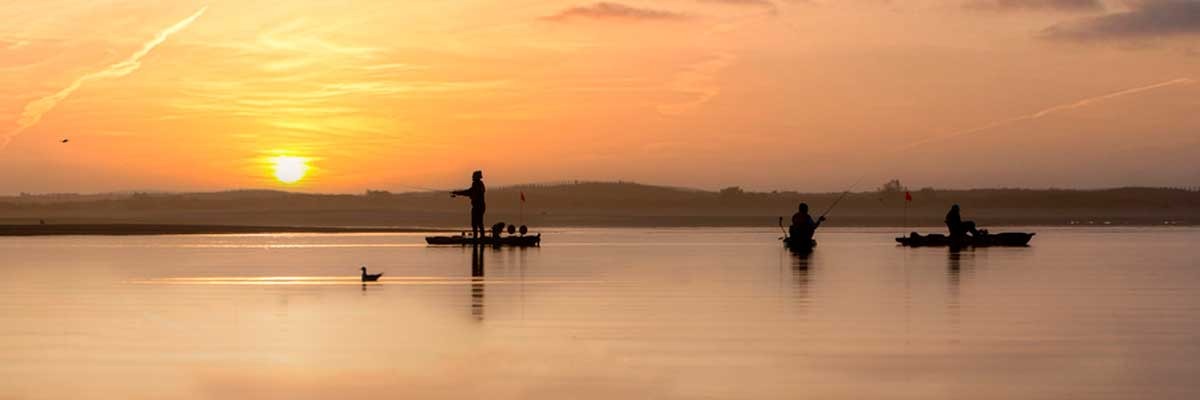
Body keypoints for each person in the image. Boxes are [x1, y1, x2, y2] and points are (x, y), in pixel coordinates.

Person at [452, 170, 486, 238]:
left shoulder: (478, 184)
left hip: (478, 207)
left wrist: (457, 193)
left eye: (473, 176)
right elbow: (470, 192)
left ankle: (479, 238)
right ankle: (479, 237)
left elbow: (469, 192)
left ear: (477, 177)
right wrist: (457, 193)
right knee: (477, 223)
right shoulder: (478, 184)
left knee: (477, 223)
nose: (472, 177)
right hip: (479, 206)